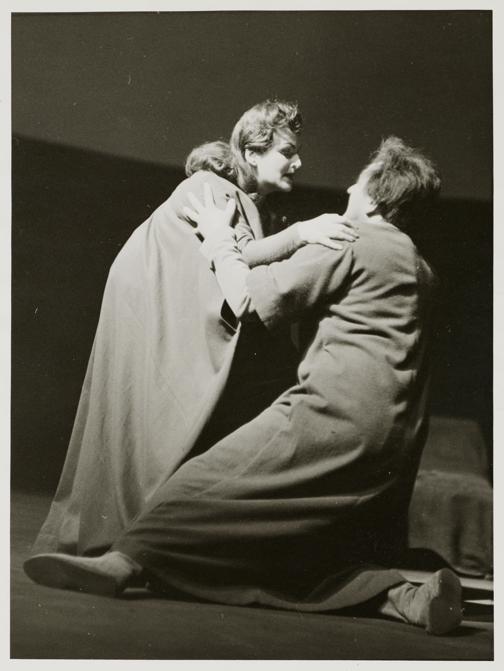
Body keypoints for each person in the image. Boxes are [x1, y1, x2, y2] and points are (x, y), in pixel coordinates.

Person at [25, 136, 463, 635]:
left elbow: (248, 301)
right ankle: (406, 598)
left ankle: (121, 564)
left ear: (377, 198)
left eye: (358, 183)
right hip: (398, 442)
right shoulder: (420, 266)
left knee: (196, 485)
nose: (347, 188)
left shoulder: (353, 240)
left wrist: (219, 238)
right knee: (297, 545)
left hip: (333, 416)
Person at [30, 100, 357, 557]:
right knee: (158, 421)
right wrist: (303, 233)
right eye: (287, 151)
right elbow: (241, 255)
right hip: (154, 307)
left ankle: (155, 533)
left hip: (164, 308)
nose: (298, 162)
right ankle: (142, 535)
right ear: (251, 152)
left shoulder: (239, 197)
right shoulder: (211, 187)